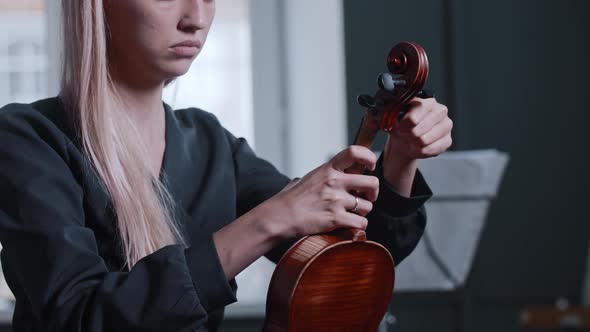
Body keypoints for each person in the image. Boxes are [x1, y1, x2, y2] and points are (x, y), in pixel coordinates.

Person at [0, 1, 453, 331]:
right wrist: (267, 221)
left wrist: (399, 159)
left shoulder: (211, 142)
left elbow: (355, 251)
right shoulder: (28, 138)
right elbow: (78, 315)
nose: (195, 18)